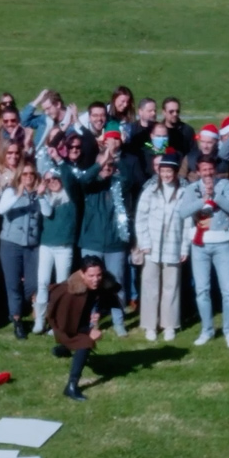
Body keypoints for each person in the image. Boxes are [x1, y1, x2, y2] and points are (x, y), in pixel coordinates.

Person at [74, 124, 140, 338]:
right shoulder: (91, 185)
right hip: (91, 242)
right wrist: (101, 161)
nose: (107, 168)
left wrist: (114, 155)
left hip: (115, 243)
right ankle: (90, 321)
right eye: (103, 165)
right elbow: (83, 179)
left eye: (110, 165)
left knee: (115, 282)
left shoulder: (120, 183)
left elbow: (130, 178)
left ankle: (118, 320)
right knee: (89, 284)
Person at [177, 157, 229, 347]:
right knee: (202, 290)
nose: (207, 174)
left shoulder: (225, 185)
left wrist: (215, 196)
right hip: (200, 246)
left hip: (222, 244)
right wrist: (202, 200)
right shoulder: (191, 188)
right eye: (204, 170)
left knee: (228, 291)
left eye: (210, 170)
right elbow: (182, 212)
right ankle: (207, 330)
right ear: (198, 171)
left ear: (215, 170)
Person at [132, 153, 188, 341]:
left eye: (169, 171)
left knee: (171, 287)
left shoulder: (183, 192)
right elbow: (140, 218)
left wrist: (184, 248)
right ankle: (150, 325)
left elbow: (188, 222)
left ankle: (169, 324)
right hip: (152, 247)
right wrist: (144, 243)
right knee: (150, 287)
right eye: (163, 171)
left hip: (174, 246)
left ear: (175, 172)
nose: (165, 175)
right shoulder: (150, 191)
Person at [47, 256, 118, 402]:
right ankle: (71, 386)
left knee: (81, 339)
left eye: (99, 275)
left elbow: (108, 299)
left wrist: (99, 312)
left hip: (78, 322)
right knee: (85, 343)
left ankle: (62, 349)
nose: (96, 279)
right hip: (63, 326)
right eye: (91, 276)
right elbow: (66, 323)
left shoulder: (101, 284)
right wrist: (88, 331)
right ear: (82, 274)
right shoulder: (70, 293)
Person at [0, 160, 43, 339]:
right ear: (19, 176)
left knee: (32, 283)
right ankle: (17, 320)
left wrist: (42, 195)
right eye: (25, 174)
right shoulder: (10, 191)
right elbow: (1, 209)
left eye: (31, 174)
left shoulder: (38, 193)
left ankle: (24, 310)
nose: (28, 177)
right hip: (10, 243)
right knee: (13, 283)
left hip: (32, 245)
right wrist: (19, 193)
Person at [32, 163, 79, 334]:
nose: (52, 182)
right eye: (48, 180)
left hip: (64, 247)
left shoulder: (70, 196)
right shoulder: (47, 197)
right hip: (46, 245)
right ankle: (40, 320)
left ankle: (58, 323)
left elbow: (71, 180)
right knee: (42, 282)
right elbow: (47, 212)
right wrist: (41, 195)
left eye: (55, 178)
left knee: (62, 285)